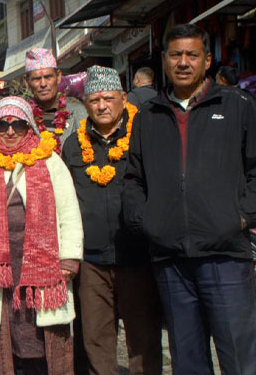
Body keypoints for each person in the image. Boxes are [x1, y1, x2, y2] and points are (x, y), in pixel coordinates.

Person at [123, 24, 256, 375]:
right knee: (187, 361)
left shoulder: (236, 106)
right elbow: (134, 178)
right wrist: (147, 221)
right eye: (175, 55)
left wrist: (237, 218)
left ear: (206, 60)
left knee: (239, 360)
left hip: (225, 257)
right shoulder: (148, 116)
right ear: (164, 60)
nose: (183, 62)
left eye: (191, 55)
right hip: (171, 260)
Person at [0, 96, 83, 375]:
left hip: (43, 268)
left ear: (30, 127)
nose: (10, 131)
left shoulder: (50, 161)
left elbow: (69, 211)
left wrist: (70, 257)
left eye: (18, 125)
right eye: (2, 125)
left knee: (43, 343)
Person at [60, 66, 162, 375]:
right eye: (94, 99)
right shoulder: (73, 145)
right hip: (91, 261)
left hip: (137, 256)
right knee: (96, 339)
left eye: (108, 97)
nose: (102, 105)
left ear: (122, 98)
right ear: (85, 104)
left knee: (143, 340)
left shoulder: (144, 134)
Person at [23, 48, 87, 152]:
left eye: (48, 77)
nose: (43, 84)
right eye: (37, 79)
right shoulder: (23, 117)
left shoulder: (78, 111)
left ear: (58, 77)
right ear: (27, 82)